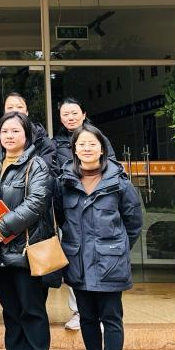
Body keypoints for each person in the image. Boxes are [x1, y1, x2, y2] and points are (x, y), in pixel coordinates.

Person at [55, 122, 143, 350]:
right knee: (87, 317)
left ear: (102, 149)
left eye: (92, 144)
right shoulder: (65, 182)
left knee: (111, 316)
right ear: (74, 150)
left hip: (109, 262)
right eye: (81, 144)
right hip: (78, 260)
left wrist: (116, 249)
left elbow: (133, 222)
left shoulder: (119, 182)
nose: (87, 148)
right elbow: (60, 217)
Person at [0, 112, 58, 350]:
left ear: (26, 135)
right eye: (5, 131)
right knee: (10, 311)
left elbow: (36, 203)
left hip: (26, 250)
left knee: (31, 310)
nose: (9, 136)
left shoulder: (36, 165)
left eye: (15, 131)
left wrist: (1, 227)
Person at [51, 97, 115, 331]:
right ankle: (79, 311)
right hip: (71, 208)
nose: (70, 117)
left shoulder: (98, 138)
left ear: (84, 114)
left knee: (99, 259)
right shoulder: (55, 143)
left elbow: (113, 168)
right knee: (74, 262)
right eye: (65, 114)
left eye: (74, 113)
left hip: (98, 207)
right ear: (60, 118)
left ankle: (101, 313)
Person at [0, 92, 57, 171]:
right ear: (4, 113)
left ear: (27, 112)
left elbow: (48, 172)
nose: (15, 111)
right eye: (10, 107)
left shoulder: (43, 142)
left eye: (19, 107)